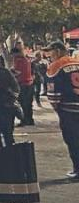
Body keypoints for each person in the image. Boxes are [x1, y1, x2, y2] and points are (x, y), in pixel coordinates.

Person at [44, 40, 79, 179]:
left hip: (68, 109)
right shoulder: (77, 62)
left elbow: (53, 94)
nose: (49, 55)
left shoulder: (55, 66)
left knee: (73, 140)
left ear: (57, 51)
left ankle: (77, 168)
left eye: (50, 51)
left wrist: (57, 108)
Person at [9, 44, 36, 126]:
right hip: (29, 83)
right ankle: (30, 120)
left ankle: (24, 120)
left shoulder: (18, 60)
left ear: (15, 54)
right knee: (28, 103)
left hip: (22, 84)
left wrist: (10, 72)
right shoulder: (27, 59)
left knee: (23, 103)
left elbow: (18, 72)